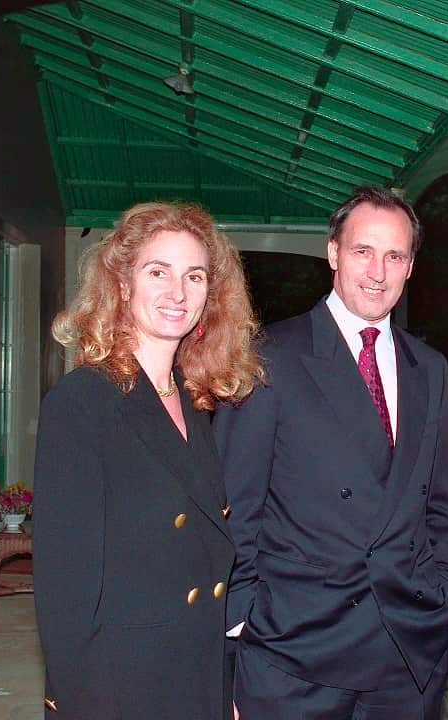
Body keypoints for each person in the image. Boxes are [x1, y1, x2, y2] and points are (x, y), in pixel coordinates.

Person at [214, 187, 448, 720]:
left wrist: (439, 591)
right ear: (333, 253)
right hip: (296, 652)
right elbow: (233, 502)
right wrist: (241, 622)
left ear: (410, 267)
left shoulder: (429, 368)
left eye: (394, 256)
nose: (378, 271)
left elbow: (440, 505)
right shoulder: (268, 356)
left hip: (405, 653)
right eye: (362, 251)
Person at [33, 201, 264, 719]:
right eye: (158, 271)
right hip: (122, 684)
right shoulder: (82, 401)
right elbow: (64, 589)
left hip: (192, 671)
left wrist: (221, 689)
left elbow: (207, 559)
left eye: (195, 276)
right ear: (121, 284)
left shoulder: (193, 400)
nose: (178, 292)